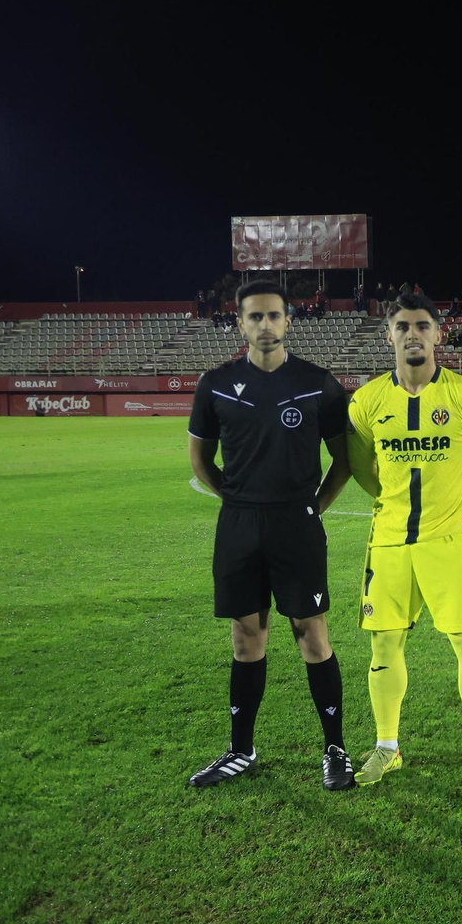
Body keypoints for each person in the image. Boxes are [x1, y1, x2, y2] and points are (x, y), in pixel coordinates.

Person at [185, 279, 356, 790]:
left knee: (312, 635)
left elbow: (343, 461)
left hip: (296, 524)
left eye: (274, 316)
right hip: (239, 526)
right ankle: (241, 750)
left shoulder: (317, 382)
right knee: (245, 639)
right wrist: (236, 501)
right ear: (239, 322)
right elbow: (199, 458)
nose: (265, 325)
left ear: (288, 321)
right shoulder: (214, 382)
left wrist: (314, 508)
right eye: (254, 316)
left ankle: (335, 749)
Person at [344, 293, 462, 790]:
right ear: (388, 334)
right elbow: (358, 466)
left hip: (449, 540)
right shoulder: (366, 401)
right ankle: (386, 747)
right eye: (403, 326)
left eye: (423, 325)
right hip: (389, 542)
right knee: (384, 645)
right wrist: (392, 501)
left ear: (439, 334)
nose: (413, 333)